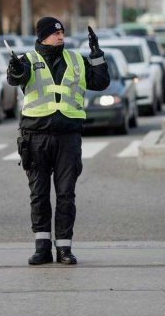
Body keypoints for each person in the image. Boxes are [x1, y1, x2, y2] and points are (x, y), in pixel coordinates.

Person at [7, 17, 110, 265]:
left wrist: (97, 55)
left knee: (66, 194)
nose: (60, 36)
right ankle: (42, 248)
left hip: (68, 137)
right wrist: (14, 68)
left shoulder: (76, 60)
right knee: (39, 195)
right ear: (42, 37)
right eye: (55, 33)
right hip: (35, 137)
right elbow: (16, 78)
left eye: (62, 32)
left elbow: (101, 82)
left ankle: (64, 248)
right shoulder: (28, 60)